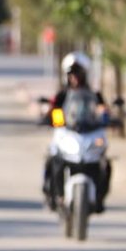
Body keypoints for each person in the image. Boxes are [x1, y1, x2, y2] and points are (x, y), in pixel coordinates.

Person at [42, 52, 112, 211]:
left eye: (78, 75)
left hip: (89, 133)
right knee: (53, 159)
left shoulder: (94, 95)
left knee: (105, 163)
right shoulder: (63, 94)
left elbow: (103, 110)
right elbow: (54, 110)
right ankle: (54, 194)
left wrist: (106, 117)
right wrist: (50, 117)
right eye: (71, 75)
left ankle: (100, 198)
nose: (74, 78)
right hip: (68, 133)